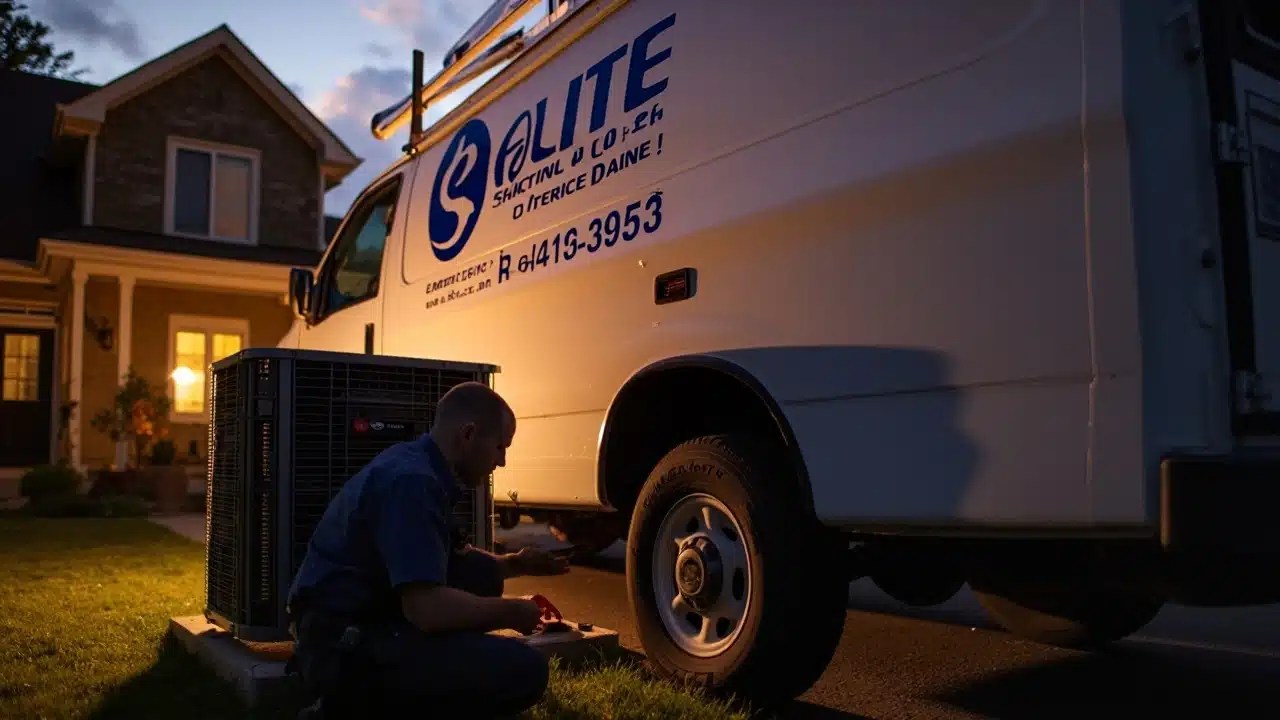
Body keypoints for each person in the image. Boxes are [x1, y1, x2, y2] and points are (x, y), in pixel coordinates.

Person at [286, 381, 570, 718]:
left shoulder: (419, 464)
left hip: (363, 617)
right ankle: (344, 703)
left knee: (482, 574)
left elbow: (454, 560)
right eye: (499, 447)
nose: (503, 461)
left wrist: (516, 563)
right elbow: (426, 609)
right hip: (343, 646)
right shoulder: (412, 483)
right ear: (468, 435)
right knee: (526, 670)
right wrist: (513, 612)